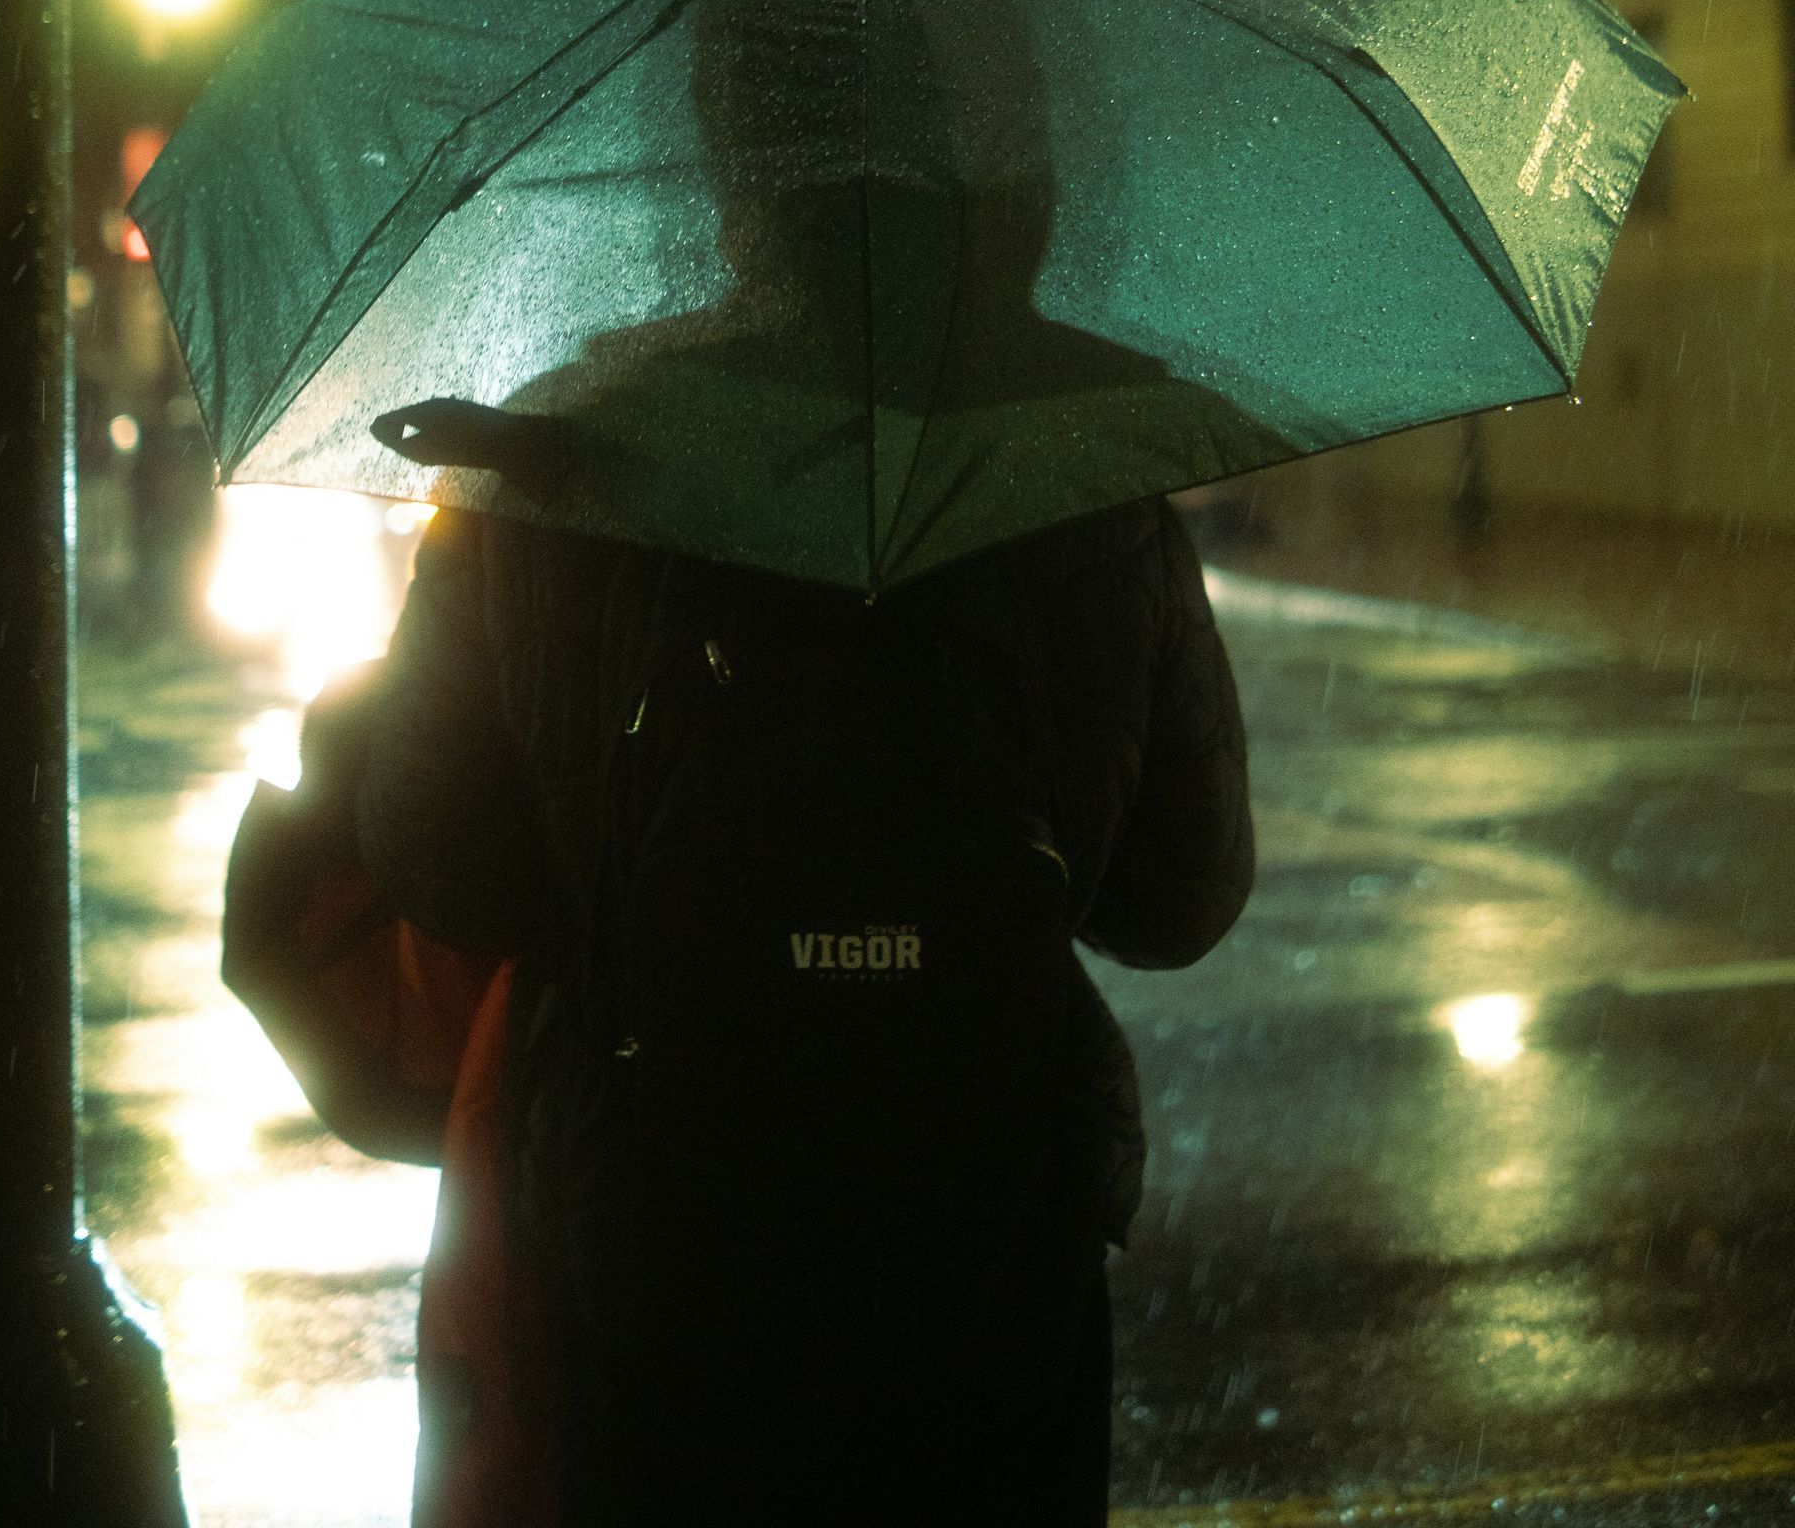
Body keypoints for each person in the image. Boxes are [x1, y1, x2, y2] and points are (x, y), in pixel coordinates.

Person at [356, 486, 1253, 1527]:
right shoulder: (1078, 482)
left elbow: (441, 861)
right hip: (991, 1201)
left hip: (650, 1202)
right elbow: (1180, 898)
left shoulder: (547, 472)